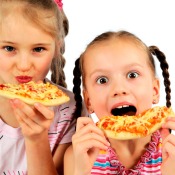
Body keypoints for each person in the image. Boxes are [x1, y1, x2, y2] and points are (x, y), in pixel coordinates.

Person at [64, 30, 175, 175]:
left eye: (132, 75)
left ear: (154, 90)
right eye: (102, 80)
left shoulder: (171, 150)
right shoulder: (79, 154)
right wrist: (81, 171)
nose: (119, 89)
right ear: (89, 100)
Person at [0, 0, 85, 174]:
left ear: (56, 48)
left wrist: (37, 139)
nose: (24, 65)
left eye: (38, 49)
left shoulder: (70, 110)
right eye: (9, 48)